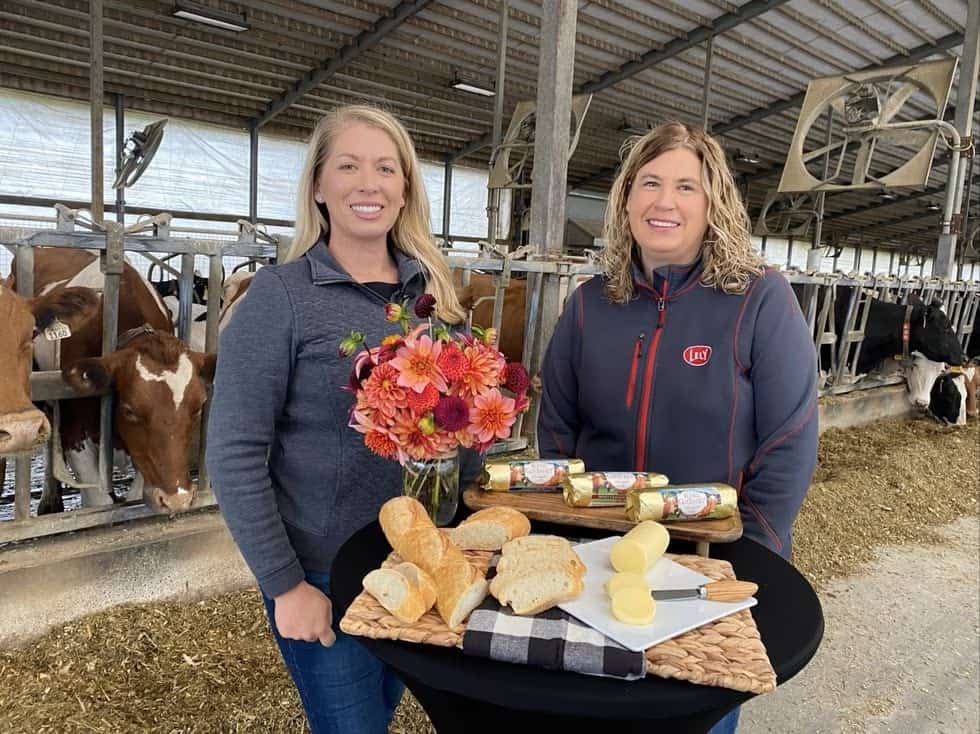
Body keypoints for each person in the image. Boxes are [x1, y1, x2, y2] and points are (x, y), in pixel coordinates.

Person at [537, 122, 818, 734]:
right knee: (594, 710)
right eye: (651, 183)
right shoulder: (589, 304)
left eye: (686, 186)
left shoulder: (760, 298)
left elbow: (790, 438)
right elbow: (557, 426)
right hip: (602, 554)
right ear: (625, 199)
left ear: (713, 201)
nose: (665, 201)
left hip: (709, 558)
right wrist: (571, 526)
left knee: (692, 712)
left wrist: (754, 552)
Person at [205, 105, 468, 734]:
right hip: (325, 572)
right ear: (319, 187)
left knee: (380, 714)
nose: (367, 184)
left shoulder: (434, 300)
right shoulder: (281, 297)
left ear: (405, 189)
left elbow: (457, 438)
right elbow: (235, 454)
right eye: (347, 166)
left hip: (422, 562)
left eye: (385, 168)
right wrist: (285, 586)